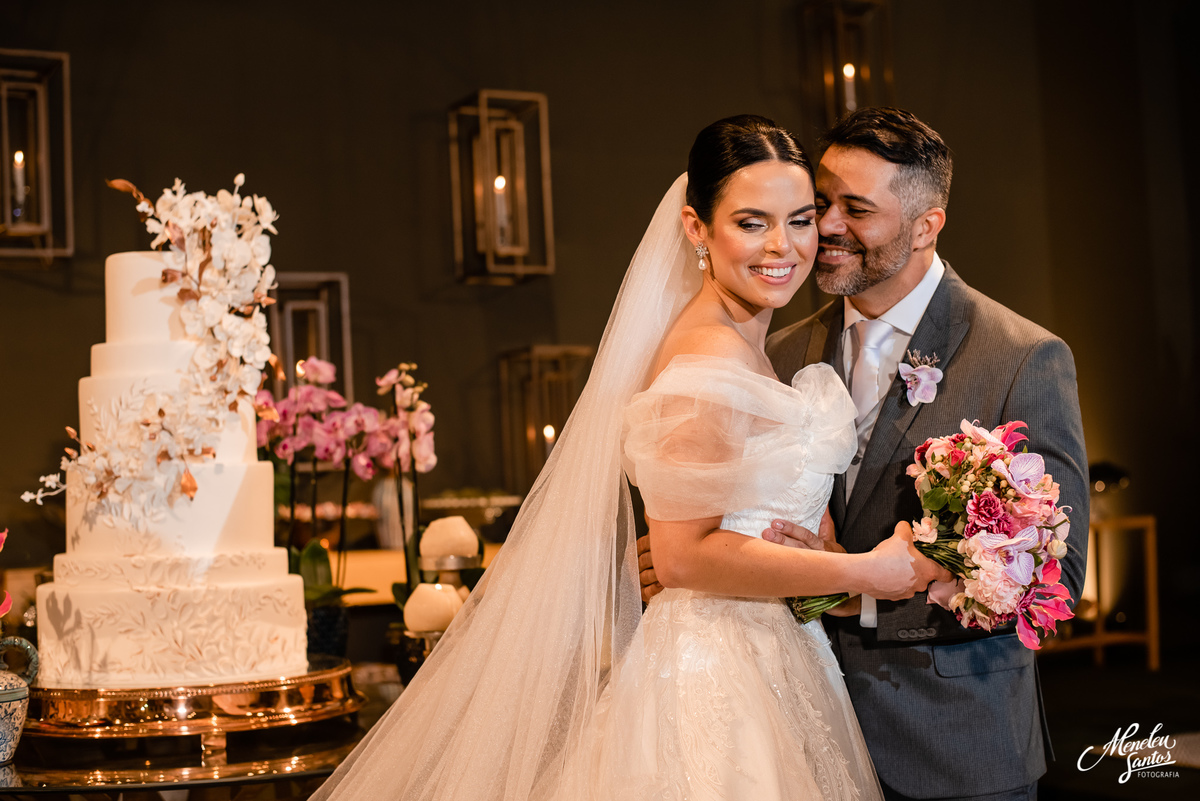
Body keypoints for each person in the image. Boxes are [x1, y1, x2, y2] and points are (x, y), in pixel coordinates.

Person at [311, 115, 947, 801]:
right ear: (697, 228)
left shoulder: (750, 343)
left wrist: (823, 554)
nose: (784, 247)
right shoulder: (708, 357)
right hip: (715, 678)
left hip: (775, 657)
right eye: (751, 222)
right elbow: (680, 557)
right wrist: (861, 568)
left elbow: (738, 522)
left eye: (799, 220)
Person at [642, 108, 1088, 801]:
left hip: (954, 748)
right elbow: (701, 526)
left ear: (924, 226)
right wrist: (686, 559)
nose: (824, 228)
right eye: (820, 203)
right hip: (792, 727)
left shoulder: (1019, 357)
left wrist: (854, 593)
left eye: (856, 209)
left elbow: (1054, 579)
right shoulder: (776, 350)